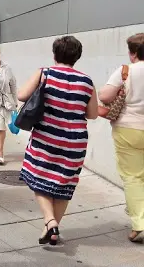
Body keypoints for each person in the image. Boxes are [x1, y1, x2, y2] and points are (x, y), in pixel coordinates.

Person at [17, 36, 98, 245]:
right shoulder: (86, 81)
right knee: (64, 184)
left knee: (38, 177)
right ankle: (52, 229)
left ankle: (49, 220)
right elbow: (92, 114)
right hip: (75, 142)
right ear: (77, 57)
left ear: (55, 54)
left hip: (47, 137)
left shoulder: (45, 73)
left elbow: (21, 95)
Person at [99, 33, 144, 243]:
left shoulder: (126, 71)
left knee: (133, 176)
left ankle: (140, 224)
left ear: (133, 53)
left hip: (128, 129)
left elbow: (104, 97)